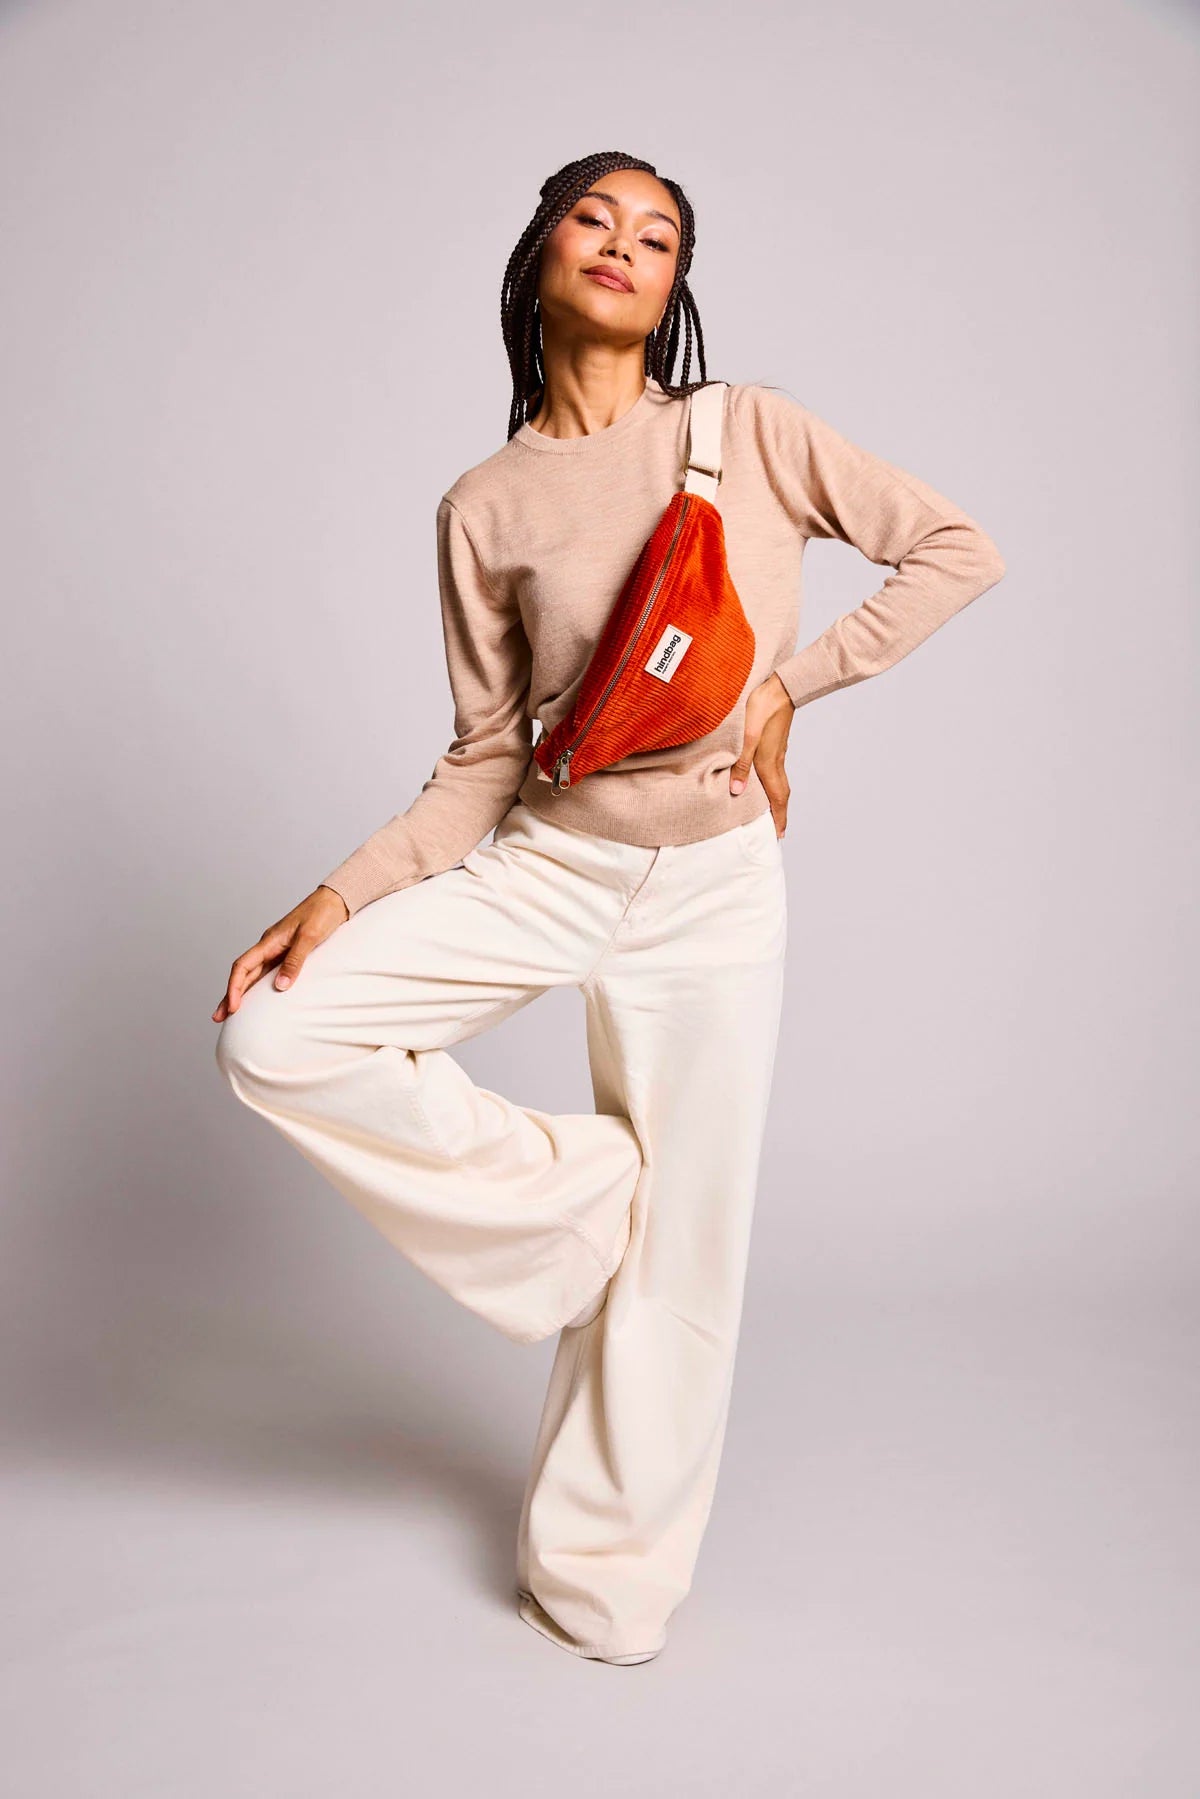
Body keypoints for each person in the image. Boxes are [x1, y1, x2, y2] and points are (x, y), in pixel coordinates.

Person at [212, 150, 1006, 1667]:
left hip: (713, 889)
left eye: (659, 235)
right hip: (549, 865)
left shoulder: (746, 430)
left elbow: (955, 548)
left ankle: (600, 1589)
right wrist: (336, 895)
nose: (625, 245)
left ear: (675, 285)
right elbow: (480, 759)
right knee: (277, 1039)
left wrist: (788, 687)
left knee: (687, 1255)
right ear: (541, 252)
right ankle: (575, 1205)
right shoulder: (484, 502)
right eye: (597, 217)